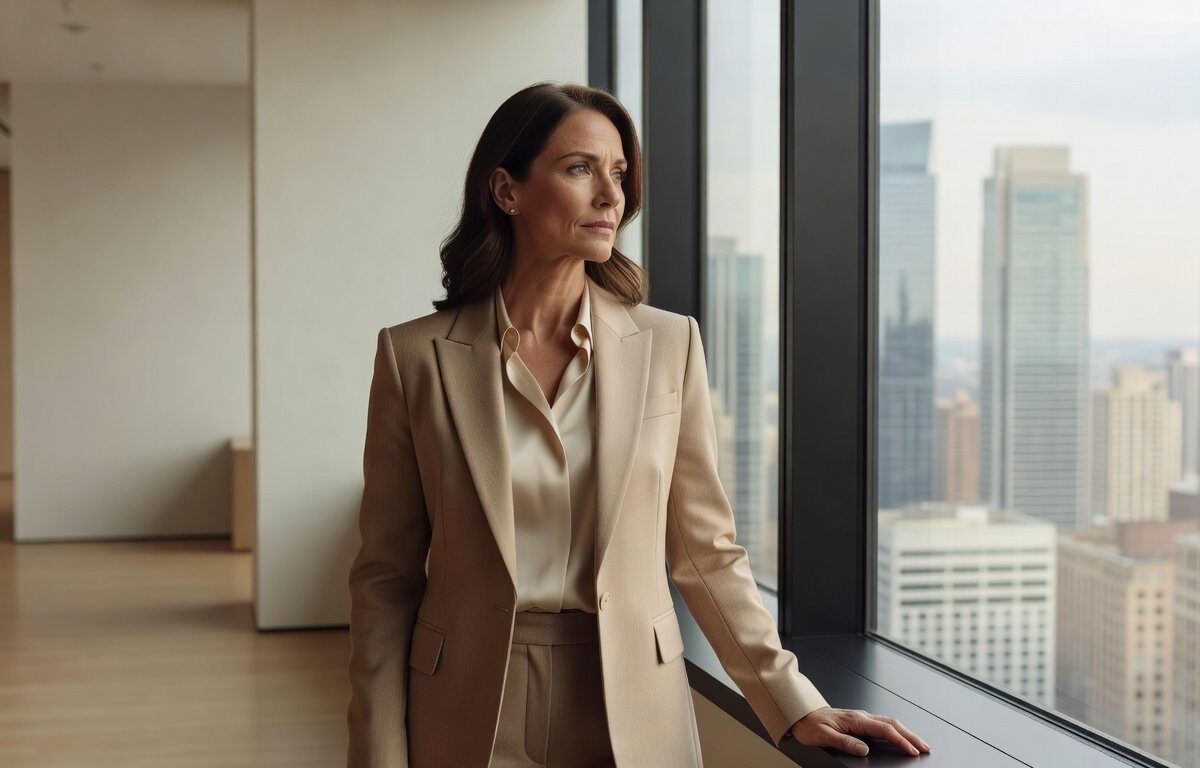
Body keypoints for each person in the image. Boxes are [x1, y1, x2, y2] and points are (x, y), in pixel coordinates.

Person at [346, 81, 931, 767]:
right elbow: (385, 580)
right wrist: (376, 752)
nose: (610, 196)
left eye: (619, 173)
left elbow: (705, 550)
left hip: (632, 703)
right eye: (579, 169)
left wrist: (792, 699)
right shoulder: (415, 357)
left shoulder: (669, 345)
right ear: (507, 191)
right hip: (466, 704)